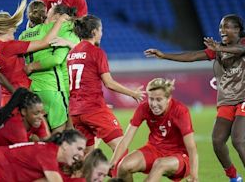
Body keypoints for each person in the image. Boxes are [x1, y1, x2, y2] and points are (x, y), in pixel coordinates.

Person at [144, 14, 245, 181]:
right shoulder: (217, 49)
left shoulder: (239, 45)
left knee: (238, 140)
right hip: (226, 102)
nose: (222, 30)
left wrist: (219, 49)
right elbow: (192, 56)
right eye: (220, 27)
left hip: (243, 99)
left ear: (238, 30)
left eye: (226, 27)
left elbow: (241, 50)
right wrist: (164, 55)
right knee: (217, 141)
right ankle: (234, 177)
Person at [67, 15, 144, 171]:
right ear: (95, 31)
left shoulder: (72, 53)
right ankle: (110, 173)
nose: (102, 33)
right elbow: (108, 83)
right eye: (101, 29)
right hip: (93, 109)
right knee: (121, 150)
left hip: (76, 112)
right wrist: (133, 93)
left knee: (87, 156)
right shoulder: (96, 52)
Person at [110, 78, 198, 182]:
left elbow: (191, 148)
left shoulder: (180, 111)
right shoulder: (144, 108)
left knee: (159, 164)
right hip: (154, 149)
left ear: (168, 98)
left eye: (159, 99)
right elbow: (125, 140)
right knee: (123, 166)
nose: (154, 104)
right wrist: (113, 162)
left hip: (179, 155)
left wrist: (194, 175)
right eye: (151, 99)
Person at [0, 0, 68, 105]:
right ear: (7, 28)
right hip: (21, 96)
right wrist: (60, 21)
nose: (15, 29)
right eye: (13, 25)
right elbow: (45, 42)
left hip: (6, 98)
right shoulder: (10, 46)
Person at [20, 2, 79, 132]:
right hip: (58, 89)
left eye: (49, 12)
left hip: (35, 88)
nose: (47, 15)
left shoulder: (23, 35)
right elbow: (56, 59)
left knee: (42, 133)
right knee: (65, 135)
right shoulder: (59, 30)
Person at [0, 129, 86, 182]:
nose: (81, 154)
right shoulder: (48, 154)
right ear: (65, 145)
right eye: (79, 148)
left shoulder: (51, 156)